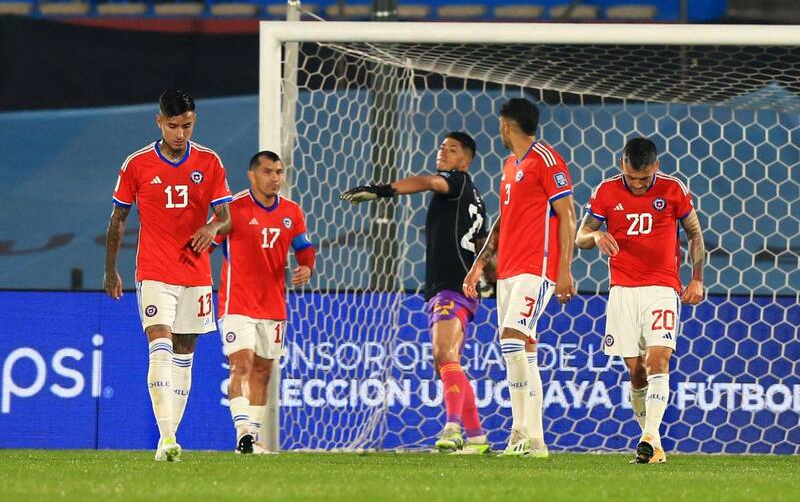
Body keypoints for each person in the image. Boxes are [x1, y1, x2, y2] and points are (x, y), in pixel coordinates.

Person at [341, 132, 492, 454]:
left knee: (444, 356)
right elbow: (483, 244)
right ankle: (477, 437)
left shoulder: (455, 182)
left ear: (465, 161)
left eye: (452, 149)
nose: (443, 152)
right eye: (442, 147)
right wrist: (490, 279)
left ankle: (452, 428)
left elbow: (428, 182)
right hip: (460, 286)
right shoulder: (476, 198)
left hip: (452, 284)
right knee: (448, 362)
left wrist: (382, 190)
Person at [104, 89, 232, 462]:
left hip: (196, 274)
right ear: (159, 121)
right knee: (159, 343)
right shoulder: (137, 164)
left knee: (184, 353)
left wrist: (212, 226)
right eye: (173, 125)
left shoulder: (209, 161)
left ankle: (168, 440)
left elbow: (226, 216)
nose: (180, 133)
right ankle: (167, 436)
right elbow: (119, 218)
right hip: (155, 270)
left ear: (194, 121)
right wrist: (111, 269)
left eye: (187, 126)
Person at [575, 137, 705, 464]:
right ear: (622, 165)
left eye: (644, 179)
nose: (637, 184)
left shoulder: (673, 189)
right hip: (622, 290)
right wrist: (596, 234)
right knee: (637, 373)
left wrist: (697, 278)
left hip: (662, 288)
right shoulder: (606, 191)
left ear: (656, 167)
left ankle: (648, 437)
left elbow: (694, 233)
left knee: (658, 360)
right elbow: (580, 237)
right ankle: (654, 446)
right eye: (632, 178)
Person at [463, 98, 576, 458]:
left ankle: (519, 433)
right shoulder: (510, 164)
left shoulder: (548, 160)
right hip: (509, 272)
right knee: (525, 351)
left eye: (500, 125)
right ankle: (537, 442)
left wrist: (564, 269)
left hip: (536, 269)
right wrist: (479, 264)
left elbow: (568, 215)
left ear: (507, 126)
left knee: (511, 341)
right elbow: (503, 219)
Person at [215, 151, 315, 454]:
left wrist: (307, 266)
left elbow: (304, 246)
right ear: (252, 175)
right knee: (241, 364)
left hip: (273, 306)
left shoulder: (291, 211)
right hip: (237, 304)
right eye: (268, 171)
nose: (275, 178)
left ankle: (252, 440)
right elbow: (207, 240)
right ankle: (242, 432)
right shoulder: (233, 208)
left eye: (279, 172)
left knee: (263, 372)